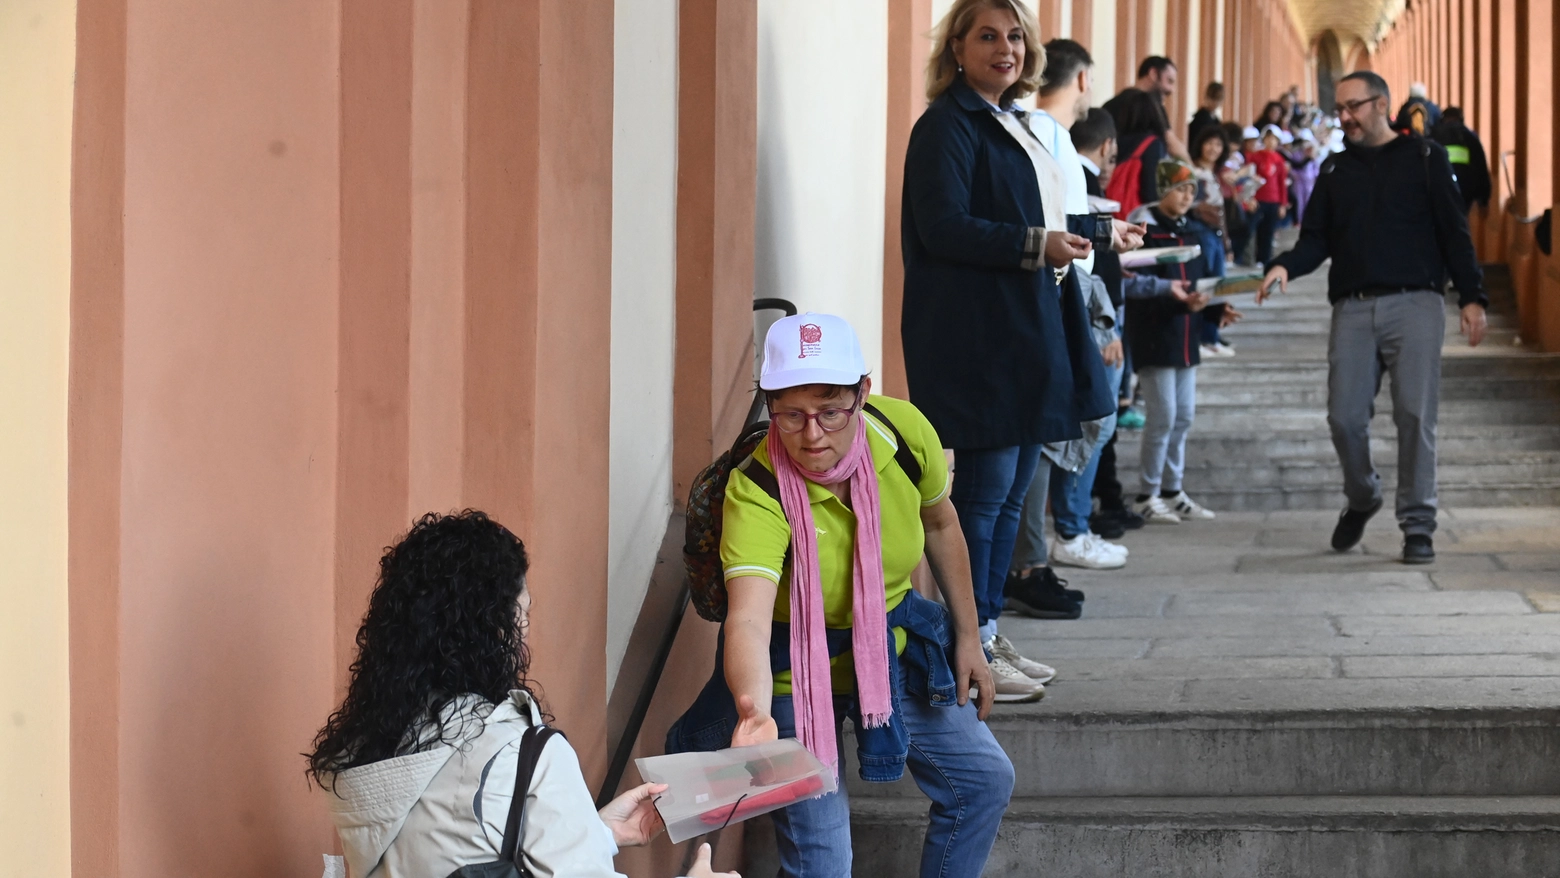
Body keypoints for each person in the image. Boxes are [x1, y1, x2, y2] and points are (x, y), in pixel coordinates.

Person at [689, 311, 1013, 876]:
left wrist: (969, 637)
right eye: (790, 415)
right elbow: (747, 620)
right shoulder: (757, 485)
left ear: (863, 393)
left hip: (891, 643)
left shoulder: (905, 434)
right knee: (824, 863)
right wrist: (753, 710)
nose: (812, 435)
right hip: (792, 671)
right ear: (769, 406)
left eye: (830, 410)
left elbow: (941, 524)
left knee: (983, 780)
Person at [307, 511, 737, 878]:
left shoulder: (372, 750)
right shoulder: (526, 754)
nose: (525, 630)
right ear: (493, 629)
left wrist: (594, 831)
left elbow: (462, 844)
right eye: (522, 613)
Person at [900, 0, 1114, 696]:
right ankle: (970, 644)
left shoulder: (1008, 122)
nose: (1006, 48)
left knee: (1014, 493)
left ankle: (986, 631)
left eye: (1015, 36)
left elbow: (1034, 215)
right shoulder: (946, 127)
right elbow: (943, 226)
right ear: (956, 48)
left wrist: (1080, 235)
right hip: (980, 339)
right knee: (985, 499)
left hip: (1024, 329)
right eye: (987, 36)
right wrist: (1035, 245)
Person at [1262, 71, 1487, 564]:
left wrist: (1472, 296)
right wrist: (1284, 265)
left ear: (1382, 104)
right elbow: (1315, 239)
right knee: (1343, 417)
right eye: (1339, 109)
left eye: (1353, 107)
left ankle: (1418, 525)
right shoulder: (1335, 170)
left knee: (1414, 415)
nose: (1344, 118)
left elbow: (1455, 232)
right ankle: (1363, 496)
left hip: (1417, 302)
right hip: (1354, 305)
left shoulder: (1426, 158)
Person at [1007, 38, 1139, 578]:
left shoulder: (1038, 131)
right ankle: (1053, 544)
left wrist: (1104, 230)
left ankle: (1037, 558)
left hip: (1067, 292)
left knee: (1071, 424)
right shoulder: (1045, 133)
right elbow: (1048, 230)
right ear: (1083, 79)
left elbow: (1061, 223)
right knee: (1072, 423)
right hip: (1061, 294)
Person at [1127, 160, 1242, 524]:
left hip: (1187, 336)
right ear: (1163, 190)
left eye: (1191, 190)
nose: (1186, 196)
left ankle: (1173, 491)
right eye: (1179, 189)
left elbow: (1200, 283)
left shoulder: (1193, 231)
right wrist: (1177, 299)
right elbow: (1136, 285)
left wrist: (1214, 310)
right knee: (1162, 418)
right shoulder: (1145, 230)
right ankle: (1147, 493)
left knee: (1184, 418)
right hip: (1156, 335)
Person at [1103, 56, 1190, 161]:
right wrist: (1192, 172)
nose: (1171, 90)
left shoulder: (1110, 105)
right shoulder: (1153, 106)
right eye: (1169, 81)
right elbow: (1172, 145)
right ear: (1153, 73)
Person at [1107, 88, 1172, 214]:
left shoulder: (1117, 141)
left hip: (1112, 210)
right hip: (1137, 214)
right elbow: (1149, 190)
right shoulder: (1152, 144)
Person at [1431, 107, 1492, 212]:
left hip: (1440, 189)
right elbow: (1481, 168)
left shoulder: (1434, 136)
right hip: (1464, 191)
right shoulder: (1470, 137)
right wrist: (1483, 200)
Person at [1249, 125, 1290, 265]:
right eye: (1268, 138)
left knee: (1269, 231)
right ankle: (1251, 258)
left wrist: (1283, 204)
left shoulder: (1279, 160)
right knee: (1253, 229)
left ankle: (1264, 259)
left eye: (1274, 139)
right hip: (1258, 199)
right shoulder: (1255, 157)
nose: (1271, 142)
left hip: (1274, 200)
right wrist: (1250, 197)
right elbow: (1249, 178)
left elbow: (1282, 183)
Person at [1188, 81, 1224, 146]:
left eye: (1219, 99)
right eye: (1213, 99)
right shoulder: (1200, 119)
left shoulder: (1216, 120)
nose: (1215, 103)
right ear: (1207, 97)